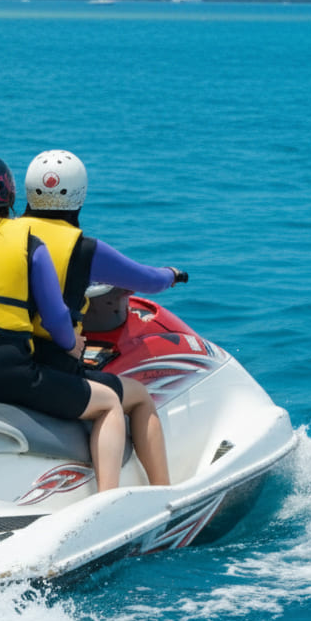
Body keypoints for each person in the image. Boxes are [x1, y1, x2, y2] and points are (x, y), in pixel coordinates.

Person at [0, 155, 128, 493]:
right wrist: (70, 344)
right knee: (108, 402)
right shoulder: (28, 242)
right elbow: (55, 316)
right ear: (10, 193)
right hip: (12, 374)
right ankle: (108, 500)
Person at [21, 149, 188, 486]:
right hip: (52, 365)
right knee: (137, 397)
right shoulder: (83, 249)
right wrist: (171, 274)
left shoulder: (7, 236)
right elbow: (147, 281)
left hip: (11, 357)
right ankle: (162, 492)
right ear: (80, 194)